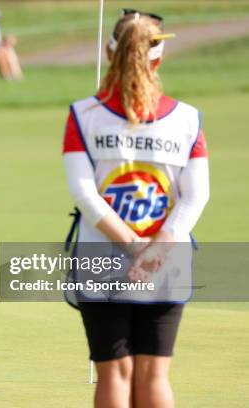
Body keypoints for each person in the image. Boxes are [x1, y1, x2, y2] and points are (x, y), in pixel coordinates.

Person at [62, 10, 209, 408]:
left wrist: (132, 248)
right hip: (167, 260)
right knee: (154, 373)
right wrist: (155, 251)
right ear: (157, 58)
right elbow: (195, 196)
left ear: (110, 54)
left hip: (101, 258)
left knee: (115, 372)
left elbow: (84, 193)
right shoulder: (189, 119)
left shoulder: (82, 115)